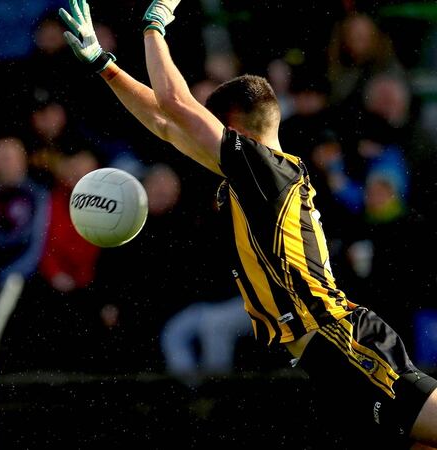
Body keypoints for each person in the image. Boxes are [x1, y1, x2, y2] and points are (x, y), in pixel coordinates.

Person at [58, 0, 437, 447]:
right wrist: (106, 66)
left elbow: (176, 104)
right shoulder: (253, 178)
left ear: (233, 127)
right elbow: (165, 122)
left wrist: (154, 23)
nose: (205, 132)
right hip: (324, 352)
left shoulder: (265, 169)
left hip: (341, 342)